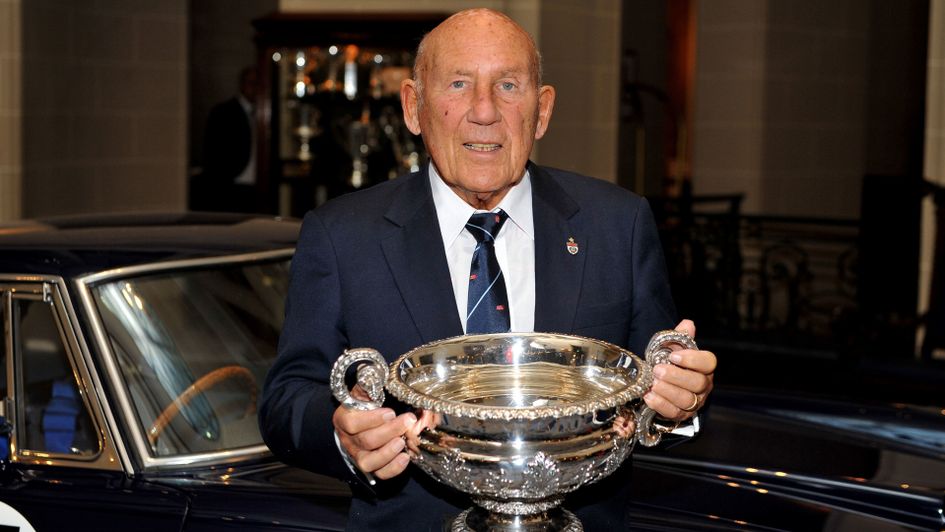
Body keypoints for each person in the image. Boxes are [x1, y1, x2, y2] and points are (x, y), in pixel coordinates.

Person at [260, 8, 716, 531]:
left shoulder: (618, 224)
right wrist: (340, 434)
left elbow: (658, 382)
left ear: (541, 111)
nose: (484, 111)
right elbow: (286, 399)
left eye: (508, 85)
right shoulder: (343, 236)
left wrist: (682, 400)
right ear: (414, 106)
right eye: (458, 84)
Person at [194, 66, 259, 213]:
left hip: (256, 188)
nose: (255, 89)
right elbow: (213, 154)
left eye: (258, 84)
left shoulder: (263, 113)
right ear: (242, 84)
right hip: (231, 188)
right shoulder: (224, 112)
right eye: (251, 83)